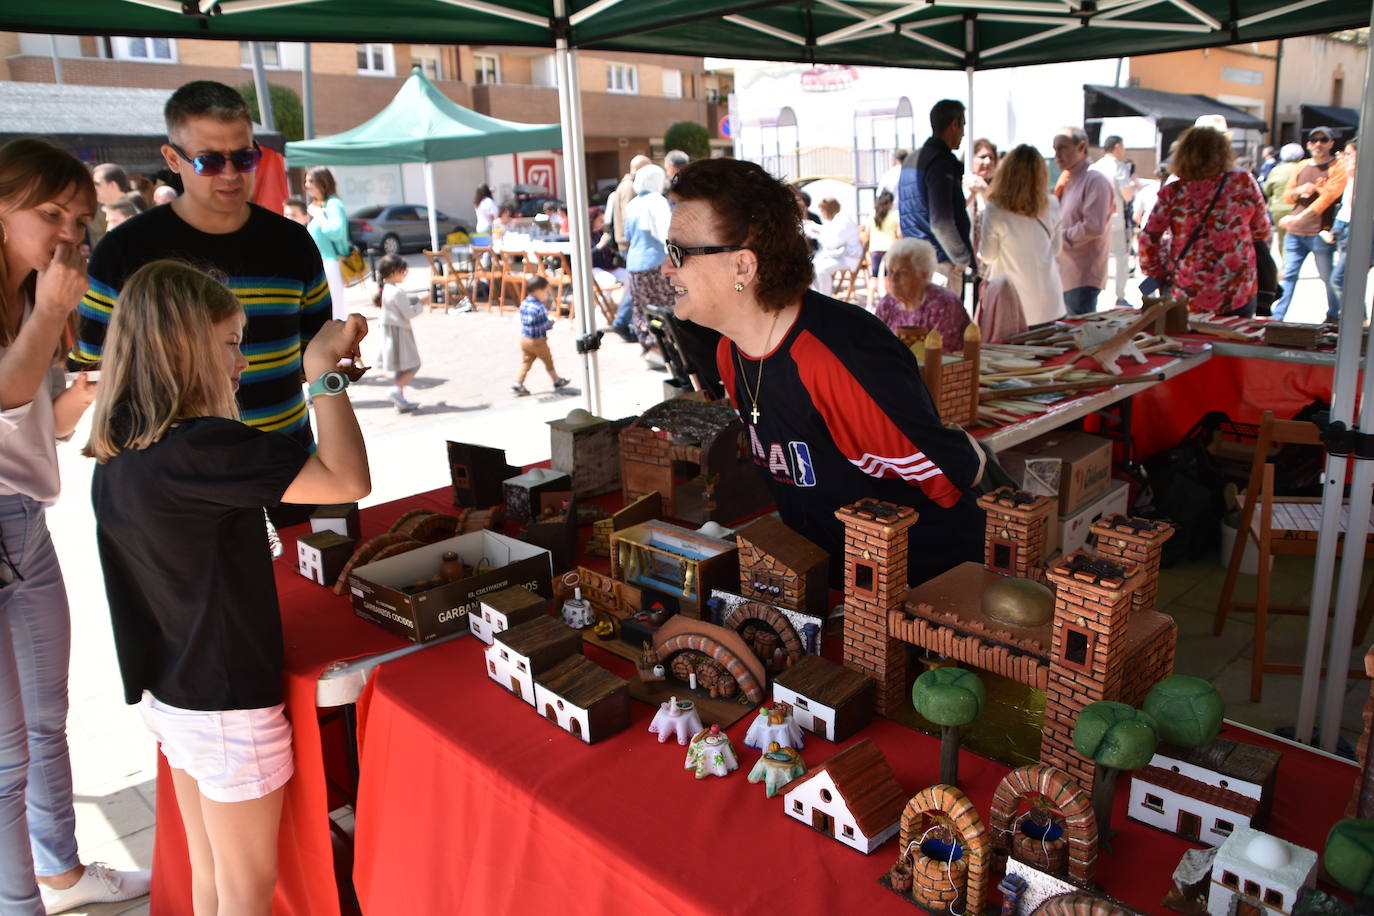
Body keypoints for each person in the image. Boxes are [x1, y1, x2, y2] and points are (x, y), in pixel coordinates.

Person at [85, 260, 369, 916]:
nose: (243, 358)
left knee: (211, 878)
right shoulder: (206, 449)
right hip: (226, 707)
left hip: (176, 696)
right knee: (243, 892)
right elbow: (347, 479)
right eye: (231, 341)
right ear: (185, 349)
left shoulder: (122, 447)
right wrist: (322, 374)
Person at [663, 157, 985, 586]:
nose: (666, 269)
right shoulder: (731, 351)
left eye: (678, 253)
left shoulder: (835, 355)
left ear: (743, 266)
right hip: (830, 584)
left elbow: (955, 471)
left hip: (923, 587)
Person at [0, 137, 150, 916]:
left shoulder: (31, 296)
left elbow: (35, 421)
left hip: (24, 517)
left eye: (78, 217)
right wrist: (56, 313)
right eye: (48, 212)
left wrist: (92, 386)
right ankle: (20, 900)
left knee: (48, 719)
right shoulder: (41, 302)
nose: (66, 231)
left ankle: (60, 873)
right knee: (6, 754)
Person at [73, 80, 331, 483]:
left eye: (243, 158)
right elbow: (88, 361)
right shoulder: (124, 250)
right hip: (179, 481)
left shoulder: (293, 242)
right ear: (172, 159)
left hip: (288, 463)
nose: (230, 174)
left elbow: (313, 349)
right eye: (209, 161)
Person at [1138, 126, 1271, 317]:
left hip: (1188, 286)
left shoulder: (1174, 191)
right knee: (1235, 342)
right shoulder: (1243, 182)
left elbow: (1149, 237)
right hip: (1237, 285)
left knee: (1188, 344)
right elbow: (1261, 230)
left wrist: (1156, 272)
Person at [979, 144, 1065, 326]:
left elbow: (988, 255)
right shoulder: (1052, 204)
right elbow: (1056, 250)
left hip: (1013, 305)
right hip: (1050, 303)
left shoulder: (995, 210)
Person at [1271, 126, 1348, 321]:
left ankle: (1333, 315)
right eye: (1314, 140)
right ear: (1308, 144)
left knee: (1327, 277)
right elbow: (1288, 196)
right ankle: (1278, 316)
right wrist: (1299, 191)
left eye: (1323, 140)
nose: (1318, 144)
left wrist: (1315, 191)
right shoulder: (1301, 165)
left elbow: (1329, 198)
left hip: (1319, 230)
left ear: (1331, 143)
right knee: (1288, 275)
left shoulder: (1337, 167)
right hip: (1295, 231)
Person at [900, 99, 973, 297]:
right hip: (940, 264)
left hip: (915, 260)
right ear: (954, 125)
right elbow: (941, 221)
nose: (963, 133)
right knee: (944, 328)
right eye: (963, 125)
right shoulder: (941, 162)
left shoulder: (911, 159)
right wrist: (962, 259)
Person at [1052, 126, 1114, 315]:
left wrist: (1058, 237)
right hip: (1064, 272)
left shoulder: (1095, 180)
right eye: (1055, 149)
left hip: (1081, 275)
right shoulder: (1067, 179)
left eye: (1062, 148)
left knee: (1078, 333)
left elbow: (1093, 227)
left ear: (1081, 147)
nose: (1057, 155)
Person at [872, 238, 970, 349]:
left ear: (924, 274)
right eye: (891, 271)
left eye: (903, 273)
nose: (893, 279)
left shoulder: (943, 305)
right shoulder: (887, 304)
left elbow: (946, 355)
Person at [623, 163, 673, 361]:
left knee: (642, 309)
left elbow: (627, 234)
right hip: (656, 263)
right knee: (665, 308)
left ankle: (650, 349)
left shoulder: (633, 204)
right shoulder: (657, 201)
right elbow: (665, 233)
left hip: (634, 263)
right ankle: (664, 350)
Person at [373, 253, 425, 412]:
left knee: (400, 368)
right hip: (400, 335)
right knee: (414, 365)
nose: (404, 275)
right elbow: (409, 314)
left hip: (391, 335)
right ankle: (396, 390)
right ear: (394, 272)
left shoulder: (387, 290)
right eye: (403, 271)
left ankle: (400, 399)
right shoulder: (396, 292)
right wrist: (422, 303)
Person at [608, 155, 650, 341]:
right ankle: (622, 322)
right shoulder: (630, 186)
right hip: (632, 243)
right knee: (637, 286)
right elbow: (629, 219)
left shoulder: (627, 185)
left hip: (629, 242)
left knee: (637, 285)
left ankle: (624, 322)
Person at [1090, 135, 1136, 306]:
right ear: (1117, 147)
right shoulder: (1119, 167)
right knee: (1121, 259)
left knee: (1097, 259)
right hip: (1118, 222)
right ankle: (1120, 296)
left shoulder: (1094, 167)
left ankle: (1094, 294)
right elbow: (1127, 195)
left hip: (1096, 221)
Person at [304, 166, 350, 320]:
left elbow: (336, 231)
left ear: (322, 182)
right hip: (324, 263)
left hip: (331, 263)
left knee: (334, 309)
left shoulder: (333, 204)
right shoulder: (323, 204)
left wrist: (319, 216)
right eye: (306, 180)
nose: (306, 185)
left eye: (310, 180)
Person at [512, 274, 569, 396]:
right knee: (548, 361)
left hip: (524, 339)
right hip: (538, 341)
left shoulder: (524, 303)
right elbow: (542, 325)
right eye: (545, 291)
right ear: (538, 291)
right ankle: (556, 380)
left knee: (526, 362)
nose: (547, 294)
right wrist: (552, 322)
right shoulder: (539, 307)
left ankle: (518, 383)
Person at [1331, 139, 1368, 317]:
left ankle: (1358, 321)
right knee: (1347, 279)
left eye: (1348, 154)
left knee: (1340, 279)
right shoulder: (1350, 175)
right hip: (1343, 226)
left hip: (1356, 228)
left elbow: (1357, 204)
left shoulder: (1364, 177)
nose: (1343, 158)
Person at [811, 197, 862, 297]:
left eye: (822, 211)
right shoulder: (839, 219)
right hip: (843, 255)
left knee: (821, 269)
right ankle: (819, 294)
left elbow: (832, 243)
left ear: (828, 209)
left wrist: (817, 233)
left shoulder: (843, 220)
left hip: (849, 257)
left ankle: (825, 298)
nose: (821, 214)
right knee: (813, 265)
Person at [1264, 143, 1306, 253]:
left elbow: (1267, 190)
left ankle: (1285, 264)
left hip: (1278, 209)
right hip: (1298, 209)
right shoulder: (1303, 168)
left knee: (1282, 238)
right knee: (1296, 239)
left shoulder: (1276, 170)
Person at [963, 138, 998, 256]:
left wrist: (984, 191)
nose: (988, 161)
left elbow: (1000, 214)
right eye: (982, 157)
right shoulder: (958, 184)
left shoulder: (998, 188)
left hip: (987, 255)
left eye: (991, 158)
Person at [88, 163, 130, 246]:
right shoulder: (93, 208)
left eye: (97, 185)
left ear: (112, 185)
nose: (93, 189)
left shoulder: (132, 210)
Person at [864, 190, 900, 284]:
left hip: (875, 249)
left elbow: (867, 233)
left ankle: (870, 299)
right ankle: (887, 298)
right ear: (891, 203)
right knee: (888, 277)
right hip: (891, 249)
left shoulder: (873, 214)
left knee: (874, 277)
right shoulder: (895, 214)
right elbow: (899, 234)